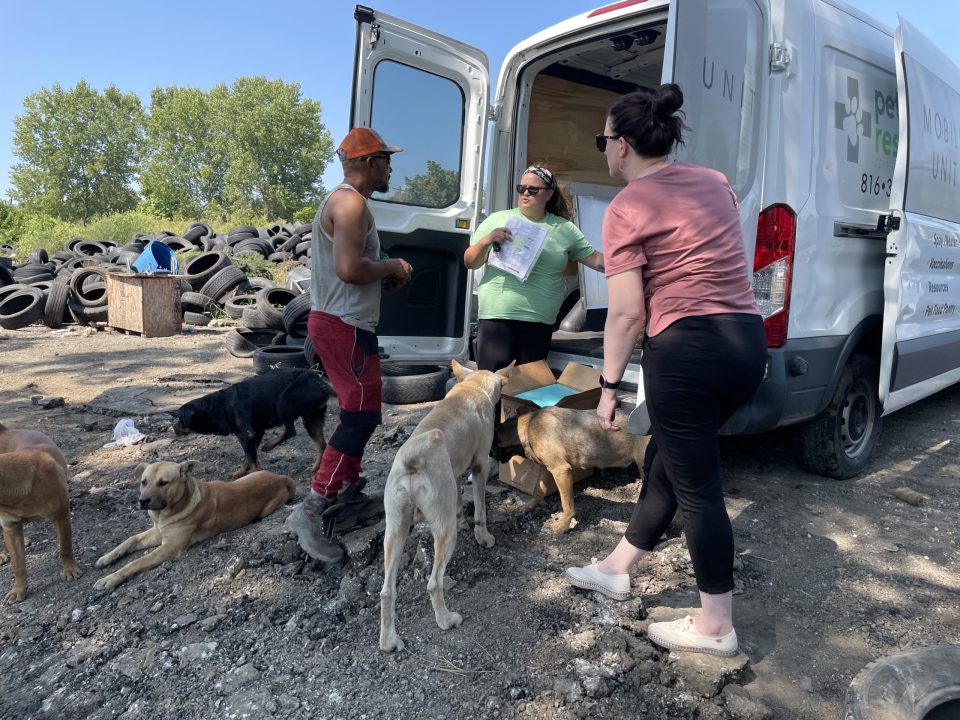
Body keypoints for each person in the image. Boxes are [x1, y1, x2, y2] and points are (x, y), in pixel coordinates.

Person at [564, 84, 767, 657]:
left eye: (603, 140)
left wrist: (607, 391)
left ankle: (715, 627)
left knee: (698, 485)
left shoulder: (627, 206)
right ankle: (617, 565)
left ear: (623, 145)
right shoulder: (716, 182)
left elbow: (628, 313)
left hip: (687, 350)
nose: (602, 150)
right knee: (670, 460)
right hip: (745, 344)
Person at [287, 127, 413, 564]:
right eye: (386, 159)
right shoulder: (351, 202)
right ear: (369, 162)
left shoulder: (343, 202)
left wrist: (381, 274)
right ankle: (314, 506)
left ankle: (348, 495)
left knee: (359, 411)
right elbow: (348, 268)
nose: (390, 168)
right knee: (361, 415)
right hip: (343, 325)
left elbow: (354, 268)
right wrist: (392, 264)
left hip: (340, 322)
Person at [464, 165, 604, 372]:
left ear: (549, 193)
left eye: (533, 189)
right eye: (522, 188)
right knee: (490, 387)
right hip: (498, 315)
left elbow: (595, 259)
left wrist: (635, 261)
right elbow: (470, 261)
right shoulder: (497, 219)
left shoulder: (564, 228)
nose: (525, 193)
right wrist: (487, 240)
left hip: (539, 320)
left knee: (526, 392)